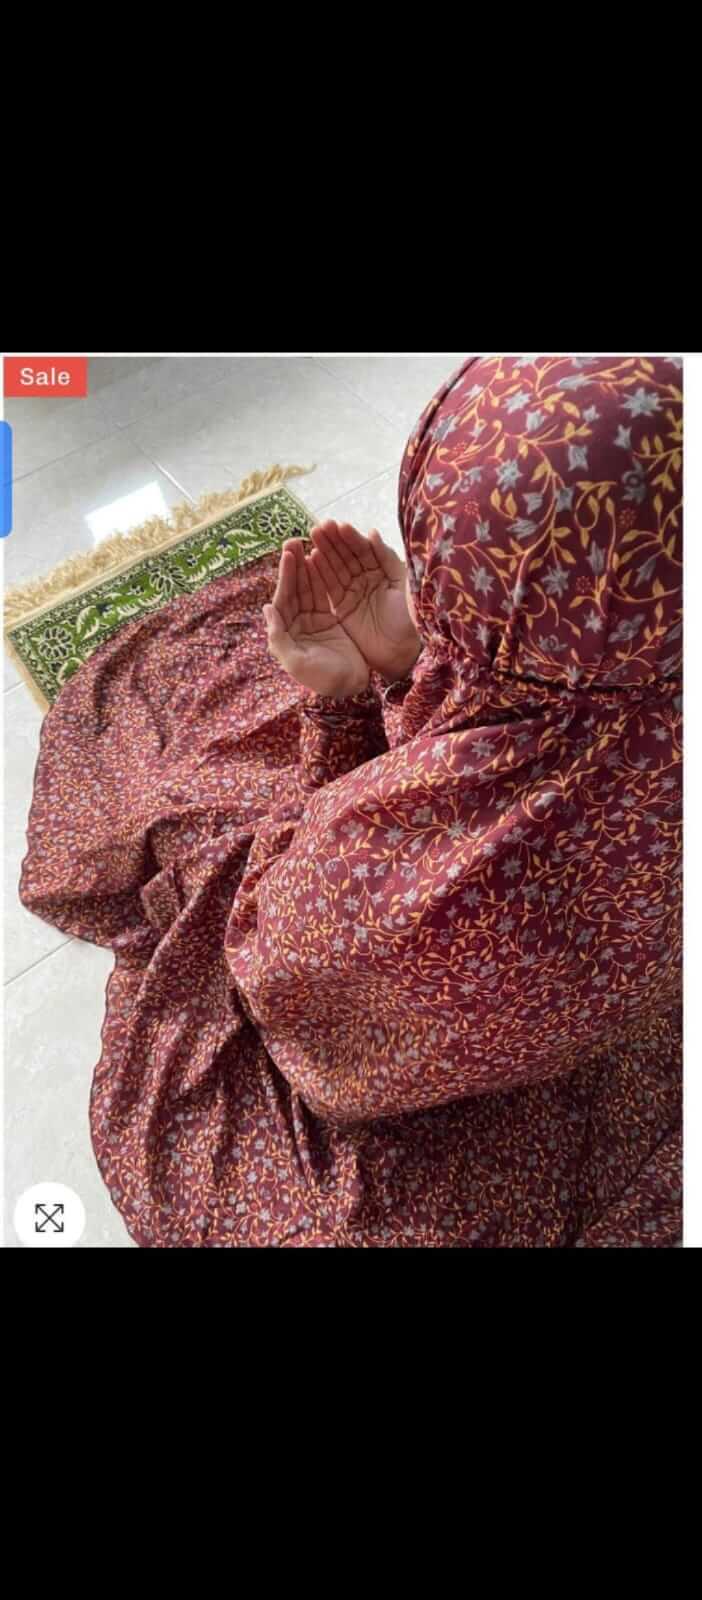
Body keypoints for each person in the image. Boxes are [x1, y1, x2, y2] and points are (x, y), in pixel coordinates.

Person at [19, 356, 683, 1247]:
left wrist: (338, 708)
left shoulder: (397, 887)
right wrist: (418, 664)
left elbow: (275, 978)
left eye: (444, 574)